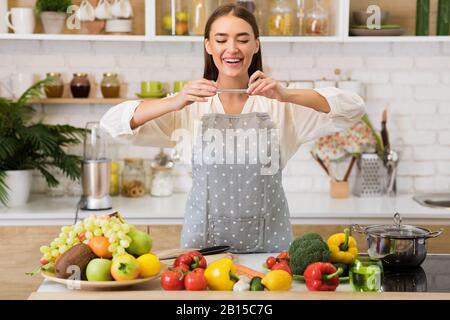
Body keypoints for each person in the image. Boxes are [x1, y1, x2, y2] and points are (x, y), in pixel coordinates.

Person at [100, 4, 365, 253]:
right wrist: (174, 100)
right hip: (202, 253)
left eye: (242, 38)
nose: (232, 48)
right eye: (221, 39)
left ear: (256, 45)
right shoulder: (189, 107)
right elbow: (113, 123)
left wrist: (287, 94)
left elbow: (352, 107)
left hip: (270, 254)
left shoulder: (280, 105)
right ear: (208, 46)